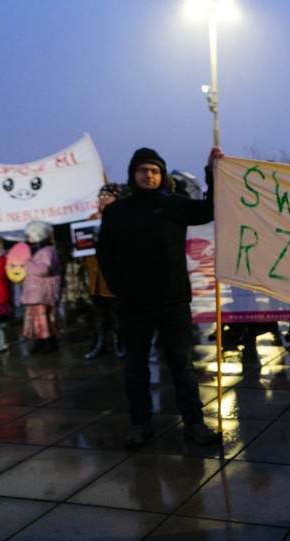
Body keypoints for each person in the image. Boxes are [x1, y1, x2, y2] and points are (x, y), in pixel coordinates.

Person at [97, 147, 223, 448]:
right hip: (134, 304)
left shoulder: (175, 205)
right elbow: (105, 253)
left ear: (161, 175)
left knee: (182, 364)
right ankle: (140, 425)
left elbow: (209, 209)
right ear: (133, 174)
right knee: (135, 366)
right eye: (143, 170)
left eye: (154, 171)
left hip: (173, 301)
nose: (149, 176)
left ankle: (194, 424)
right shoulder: (117, 211)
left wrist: (212, 172)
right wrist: (119, 287)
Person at [83, 183, 125, 360]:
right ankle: (100, 343)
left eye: (108, 196)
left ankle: (120, 344)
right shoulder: (92, 218)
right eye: (101, 197)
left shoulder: (122, 218)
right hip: (95, 272)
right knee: (98, 311)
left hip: (114, 271)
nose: (104, 200)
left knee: (116, 311)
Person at [21, 220, 62, 354]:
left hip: (43, 293)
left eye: (30, 235)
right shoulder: (37, 251)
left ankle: (49, 342)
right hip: (34, 293)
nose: (28, 238)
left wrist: (26, 264)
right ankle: (39, 342)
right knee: (37, 320)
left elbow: (44, 269)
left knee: (44, 319)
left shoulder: (47, 251)